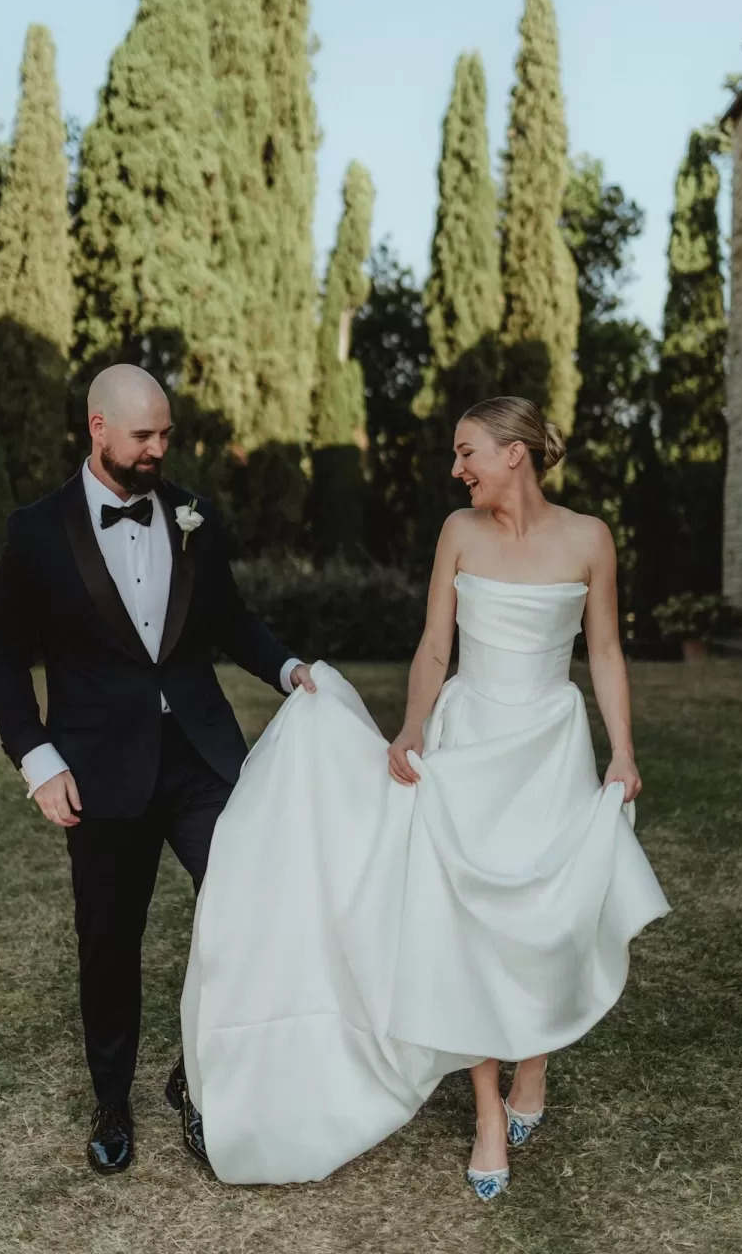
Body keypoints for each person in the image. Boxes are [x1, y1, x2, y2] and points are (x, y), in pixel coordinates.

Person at [181, 395, 670, 1199]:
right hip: (467, 740)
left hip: (549, 745)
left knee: (551, 913)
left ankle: (534, 1065)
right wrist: (411, 725)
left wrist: (621, 750)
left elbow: (608, 650)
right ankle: (485, 1110)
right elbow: (435, 646)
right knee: (463, 921)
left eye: (467, 451)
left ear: (514, 453)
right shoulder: (458, 533)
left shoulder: (589, 539)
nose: (456, 468)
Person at [0, 364, 315, 1177]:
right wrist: (38, 758)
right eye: (143, 436)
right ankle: (112, 1099)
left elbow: (229, 619)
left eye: (165, 435)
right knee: (109, 940)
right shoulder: (35, 532)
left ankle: (201, 1082)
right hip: (99, 770)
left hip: (201, 757)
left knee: (249, 912)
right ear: (97, 429)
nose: (159, 450)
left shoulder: (195, 513)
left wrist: (290, 670)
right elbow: (1, 660)